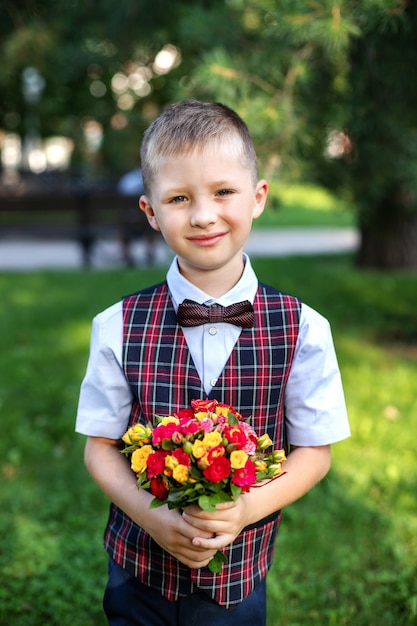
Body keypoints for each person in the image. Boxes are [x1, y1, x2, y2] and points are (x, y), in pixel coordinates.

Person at [75, 99, 350, 626]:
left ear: (258, 197)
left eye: (223, 191)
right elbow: (99, 449)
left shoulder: (305, 328)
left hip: (237, 580)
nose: (203, 215)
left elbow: (314, 454)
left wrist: (245, 510)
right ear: (151, 212)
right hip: (139, 573)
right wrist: (151, 519)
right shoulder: (116, 325)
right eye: (179, 197)